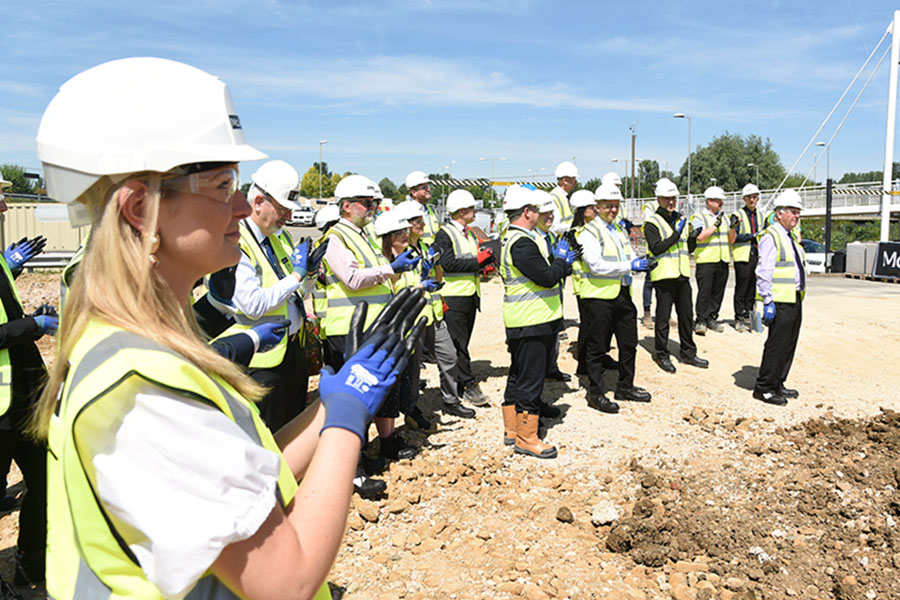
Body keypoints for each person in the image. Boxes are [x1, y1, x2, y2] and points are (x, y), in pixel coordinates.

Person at [32, 57, 425, 599]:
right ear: (141, 208)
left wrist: (327, 410)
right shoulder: (141, 388)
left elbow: (243, 483)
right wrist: (348, 422)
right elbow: (288, 581)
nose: (242, 206)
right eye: (222, 185)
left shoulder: (139, 347)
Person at [320, 174, 420, 495]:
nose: (373, 208)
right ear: (346, 206)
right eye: (366, 203)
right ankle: (351, 471)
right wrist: (391, 269)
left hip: (367, 328)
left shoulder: (360, 235)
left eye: (374, 202)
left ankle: (359, 460)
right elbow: (351, 279)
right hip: (348, 329)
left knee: (366, 399)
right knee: (352, 403)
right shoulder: (336, 237)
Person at [227, 159, 326, 431]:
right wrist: (296, 276)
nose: (289, 216)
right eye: (283, 209)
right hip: (259, 362)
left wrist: (308, 276)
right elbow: (252, 304)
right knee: (267, 434)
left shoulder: (277, 238)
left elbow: (294, 294)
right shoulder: (237, 240)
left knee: (292, 427)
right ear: (259, 202)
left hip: (290, 351)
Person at [499, 186, 577, 459]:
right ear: (527, 212)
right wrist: (561, 261)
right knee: (530, 379)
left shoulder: (519, 238)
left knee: (519, 374)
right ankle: (527, 438)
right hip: (532, 320)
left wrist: (560, 264)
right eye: (535, 209)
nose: (540, 213)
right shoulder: (522, 243)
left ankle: (513, 429)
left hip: (530, 319)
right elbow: (547, 277)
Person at [0, 178, 50, 587]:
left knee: (45, 482)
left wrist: (8, 268)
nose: (4, 207)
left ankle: (30, 565)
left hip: (26, 396)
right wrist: (32, 326)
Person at [576, 184, 653, 414]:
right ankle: (596, 393)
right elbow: (596, 265)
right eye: (608, 206)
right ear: (597, 207)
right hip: (598, 298)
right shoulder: (589, 233)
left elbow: (629, 254)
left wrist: (641, 262)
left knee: (629, 343)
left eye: (616, 206)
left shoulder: (618, 230)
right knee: (597, 348)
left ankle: (625, 387)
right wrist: (630, 265)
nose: (612, 210)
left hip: (621, 294)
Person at [394, 200, 475, 419]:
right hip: (413, 317)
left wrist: (435, 265)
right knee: (413, 368)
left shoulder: (423, 247)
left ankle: (451, 400)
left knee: (449, 357)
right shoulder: (399, 252)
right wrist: (421, 280)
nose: (422, 224)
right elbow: (397, 286)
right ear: (405, 225)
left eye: (422, 220)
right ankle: (411, 410)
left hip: (433, 313)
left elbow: (438, 279)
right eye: (417, 221)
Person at [434, 189, 494, 407]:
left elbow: (469, 260)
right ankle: (468, 385)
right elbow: (448, 264)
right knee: (458, 345)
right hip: (453, 296)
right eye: (471, 209)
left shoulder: (468, 233)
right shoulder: (444, 234)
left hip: (469, 295)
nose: (475, 212)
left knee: (463, 342)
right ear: (461, 211)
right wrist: (478, 262)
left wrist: (485, 264)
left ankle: (458, 383)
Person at [642, 179, 709, 373]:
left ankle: (688, 352)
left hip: (682, 274)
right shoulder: (652, 222)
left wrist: (692, 239)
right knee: (663, 318)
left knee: (686, 316)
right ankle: (662, 354)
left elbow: (686, 248)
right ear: (659, 199)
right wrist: (675, 234)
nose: (671, 202)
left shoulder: (681, 219)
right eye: (667, 199)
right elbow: (656, 248)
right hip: (664, 276)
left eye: (673, 198)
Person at [754, 190, 807, 406]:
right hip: (780, 300)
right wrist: (767, 300)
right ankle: (764, 387)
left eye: (798, 212)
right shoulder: (771, 236)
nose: (796, 216)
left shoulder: (789, 237)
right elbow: (764, 271)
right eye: (793, 212)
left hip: (794, 298)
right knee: (777, 344)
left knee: (789, 344)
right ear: (779, 213)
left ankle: (778, 382)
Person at [533, 190, 570, 384]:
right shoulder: (532, 239)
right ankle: (540, 371)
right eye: (545, 213)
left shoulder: (552, 237)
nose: (550, 216)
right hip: (539, 297)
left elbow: (562, 266)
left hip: (555, 292)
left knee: (554, 334)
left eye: (551, 213)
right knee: (540, 339)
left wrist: (566, 264)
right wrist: (560, 263)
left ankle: (551, 367)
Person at [689, 186, 730, 335]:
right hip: (706, 260)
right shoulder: (699, 217)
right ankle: (700, 320)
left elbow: (731, 239)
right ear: (709, 201)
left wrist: (733, 227)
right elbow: (700, 236)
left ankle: (712, 318)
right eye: (718, 201)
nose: (721, 203)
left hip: (722, 259)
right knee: (704, 292)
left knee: (718, 292)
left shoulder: (725, 217)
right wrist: (715, 225)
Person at [730, 183, 762, 332]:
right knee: (742, 288)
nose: (752, 200)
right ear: (744, 198)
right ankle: (739, 317)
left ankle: (749, 315)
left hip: (757, 255)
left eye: (754, 197)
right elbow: (733, 237)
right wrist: (752, 236)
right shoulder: (737, 215)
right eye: (749, 197)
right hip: (743, 256)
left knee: (752, 287)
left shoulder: (761, 215)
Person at [405, 170, 442, 246]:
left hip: (433, 251)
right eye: (424, 188)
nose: (428, 189)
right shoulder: (406, 212)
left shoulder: (431, 210)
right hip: (417, 251)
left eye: (428, 186)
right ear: (414, 192)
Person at [548, 161, 578, 235]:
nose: (576, 182)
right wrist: (575, 226)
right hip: (560, 240)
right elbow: (554, 227)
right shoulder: (554, 198)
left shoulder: (564, 197)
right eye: (574, 179)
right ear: (565, 180)